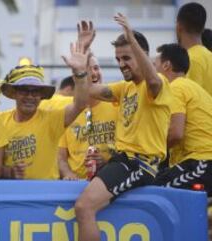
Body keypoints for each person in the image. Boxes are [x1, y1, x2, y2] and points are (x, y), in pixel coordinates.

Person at [74, 14, 172, 241]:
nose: (121, 64)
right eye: (118, 59)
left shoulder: (158, 84)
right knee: (82, 207)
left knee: (84, 208)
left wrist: (132, 38)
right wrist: (83, 57)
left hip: (140, 164)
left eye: (127, 57)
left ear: (142, 55)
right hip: (121, 161)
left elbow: (154, 82)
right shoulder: (125, 88)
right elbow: (87, 91)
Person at [0, 42, 90, 180]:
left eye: (35, 92)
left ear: (41, 96)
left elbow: (81, 104)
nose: (30, 96)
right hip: (10, 194)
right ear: (14, 94)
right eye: (24, 91)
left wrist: (80, 73)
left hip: (45, 194)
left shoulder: (51, 119)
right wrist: (10, 172)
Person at [152, 43, 212, 196]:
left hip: (200, 162)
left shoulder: (175, 88)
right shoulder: (197, 89)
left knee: (152, 191)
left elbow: (176, 134)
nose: (152, 71)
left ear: (166, 65)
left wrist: (150, 150)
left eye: (154, 65)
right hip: (200, 162)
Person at [58, 54, 118, 180]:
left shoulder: (117, 105)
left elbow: (128, 151)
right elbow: (61, 157)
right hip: (76, 184)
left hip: (110, 181)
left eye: (96, 68)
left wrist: (108, 163)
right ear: (77, 78)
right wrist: (68, 174)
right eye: (88, 70)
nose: (94, 73)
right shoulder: (69, 112)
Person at [176, 2, 212, 96]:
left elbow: (189, 99)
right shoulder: (209, 56)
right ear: (203, 28)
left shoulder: (189, 60)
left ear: (179, 26)